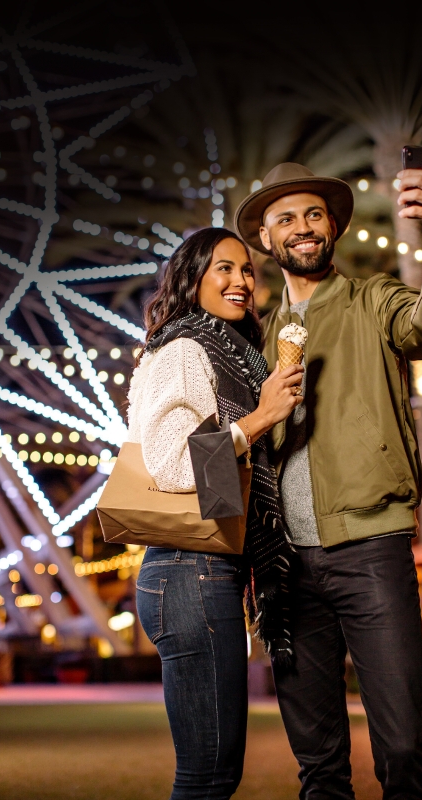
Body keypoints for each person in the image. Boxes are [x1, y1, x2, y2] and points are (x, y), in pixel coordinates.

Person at [235, 161, 422, 799]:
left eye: (314, 214)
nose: (303, 227)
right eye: (286, 218)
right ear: (266, 238)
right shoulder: (253, 341)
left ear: (333, 226)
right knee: (318, 767)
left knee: (404, 748)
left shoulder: (374, 300)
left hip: (371, 547)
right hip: (284, 568)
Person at [131, 226, 303, 800]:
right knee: (208, 777)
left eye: (247, 269)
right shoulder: (185, 350)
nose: (241, 281)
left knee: (214, 774)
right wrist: (260, 417)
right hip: (189, 569)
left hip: (203, 570)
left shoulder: (230, 353)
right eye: (222, 269)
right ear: (192, 279)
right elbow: (173, 465)